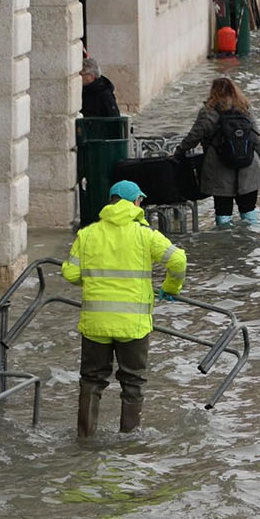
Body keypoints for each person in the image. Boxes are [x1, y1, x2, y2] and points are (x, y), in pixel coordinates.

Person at [62, 180, 187, 436]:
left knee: (91, 380)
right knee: (133, 382)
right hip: (133, 325)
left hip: (95, 324)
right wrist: (171, 288)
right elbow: (178, 260)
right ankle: (129, 438)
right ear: (137, 202)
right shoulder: (145, 235)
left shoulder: (87, 234)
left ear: (111, 200)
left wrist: (94, 280)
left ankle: (85, 437)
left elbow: (71, 273)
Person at [176, 77, 260, 227]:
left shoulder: (208, 112)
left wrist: (179, 152)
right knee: (249, 212)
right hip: (248, 168)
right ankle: (252, 246)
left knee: (223, 214)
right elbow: (256, 138)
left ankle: (226, 246)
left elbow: (193, 137)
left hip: (220, 170)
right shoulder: (245, 108)